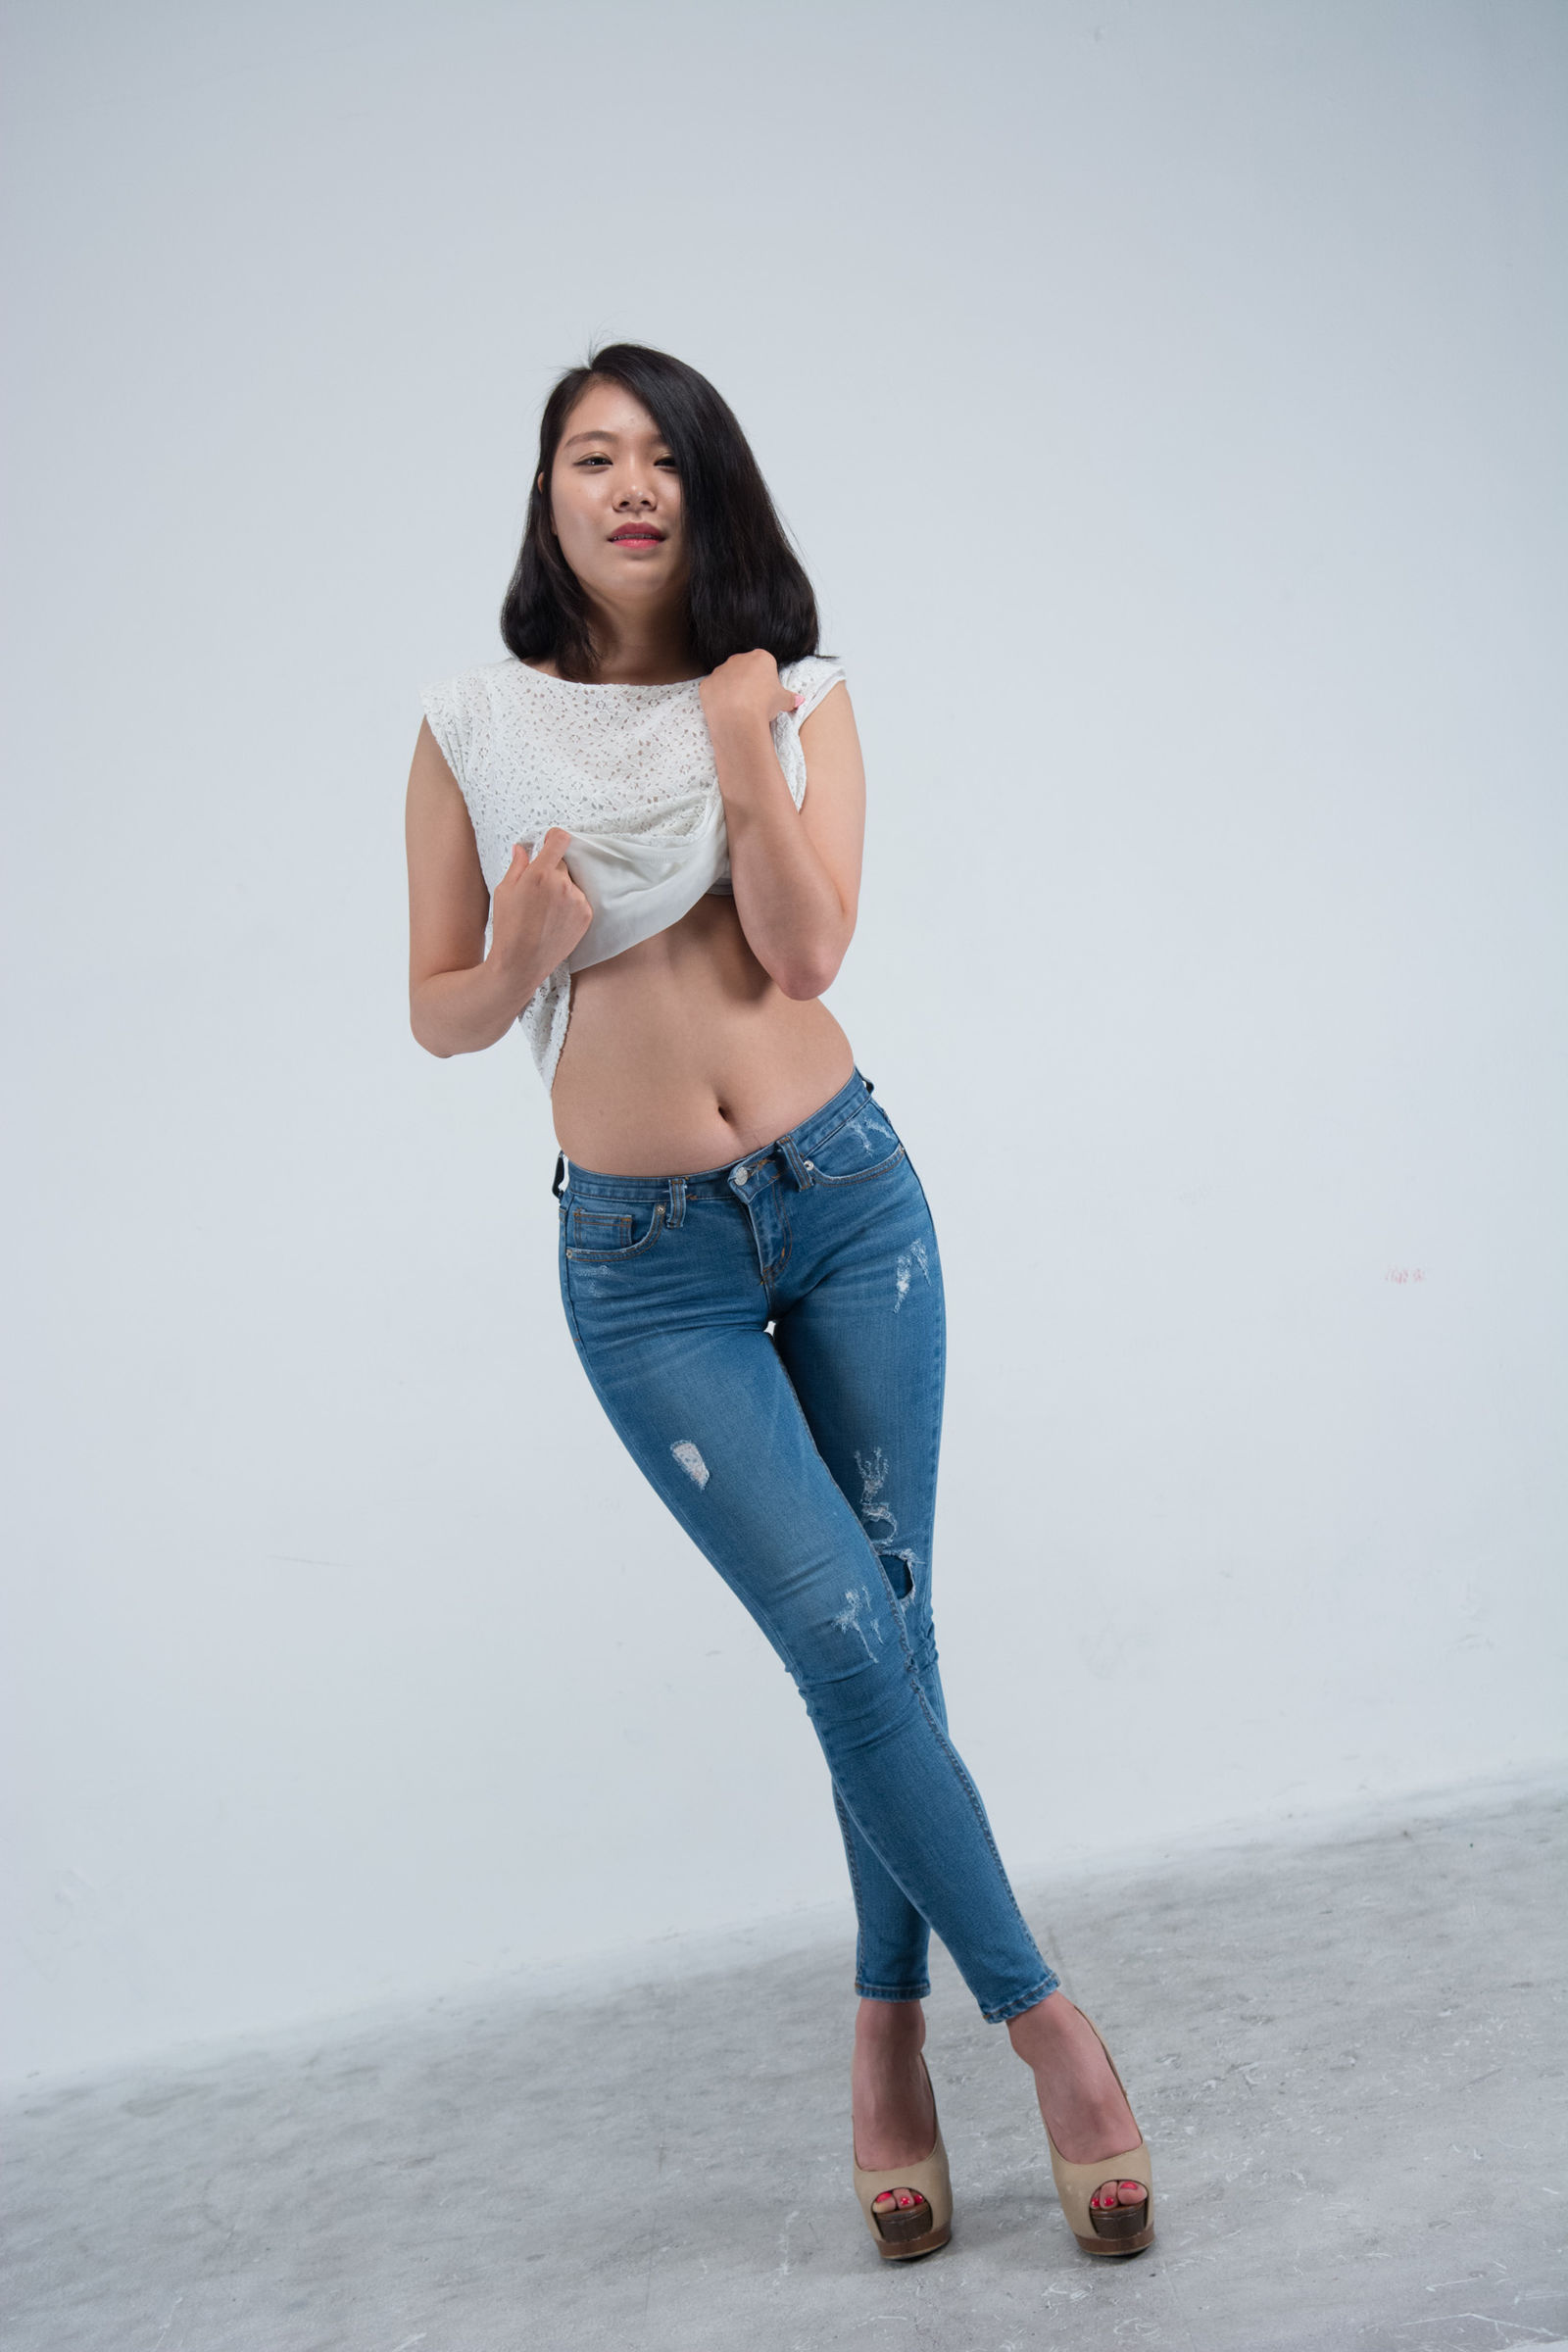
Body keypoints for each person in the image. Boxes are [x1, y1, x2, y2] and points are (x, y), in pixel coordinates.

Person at [404, 343, 1154, 2264]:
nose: (628, 484)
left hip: (845, 1207)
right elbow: (439, 1014)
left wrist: (744, 743)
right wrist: (521, 952)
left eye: (662, 455)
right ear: (547, 494)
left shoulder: (799, 694)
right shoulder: (470, 723)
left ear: (709, 487)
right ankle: (1045, 2026)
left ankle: (885, 2035)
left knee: (884, 1630)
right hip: (641, 1271)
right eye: (591, 455)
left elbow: (808, 947)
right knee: (843, 1634)